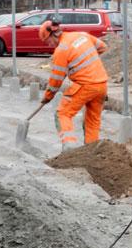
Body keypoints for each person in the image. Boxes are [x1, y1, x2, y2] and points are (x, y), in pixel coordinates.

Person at [39, 18, 109, 149]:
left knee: (63, 114)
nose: (49, 45)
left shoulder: (61, 50)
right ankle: (91, 150)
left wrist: (47, 96)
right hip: (101, 85)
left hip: (85, 86)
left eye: (47, 41)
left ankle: (69, 147)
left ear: (52, 35)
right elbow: (102, 47)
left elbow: (55, 81)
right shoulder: (81, 35)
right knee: (92, 121)